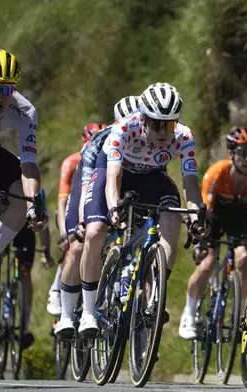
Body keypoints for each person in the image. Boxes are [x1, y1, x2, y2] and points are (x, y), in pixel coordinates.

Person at [77, 83, 204, 337]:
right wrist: (114, 207)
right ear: (143, 119)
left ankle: (156, 295)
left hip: (151, 177)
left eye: (168, 125)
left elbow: (190, 182)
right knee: (95, 231)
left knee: (172, 216)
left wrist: (195, 214)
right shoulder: (124, 128)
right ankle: (88, 313)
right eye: (156, 124)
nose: (163, 132)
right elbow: (113, 176)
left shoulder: (184, 137)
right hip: (116, 172)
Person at [54, 97, 140, 337]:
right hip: (91, 179)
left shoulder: (148, 140)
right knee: (79, 247)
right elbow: (86, 187)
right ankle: (67, 315)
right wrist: (84, 220)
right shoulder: (100, 142)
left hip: (125, 180)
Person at [178, 127, 247, 339]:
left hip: (240, 213)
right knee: (207, 263)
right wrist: (200, 242)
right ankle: (189, 313)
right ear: (231, 154)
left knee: (244, 257)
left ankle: (239, 313)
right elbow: (204, 209)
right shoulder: (218, 172)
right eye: (243, 152)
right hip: (213, 213)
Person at [47, 123, 106, 317]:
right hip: (74, 203)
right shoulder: (72, 162)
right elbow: (62, 202)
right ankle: (56, 290)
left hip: (95, 204)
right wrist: (65, 233)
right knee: (73, 245)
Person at [0, 49, 46, 258]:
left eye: (6, 91)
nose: (0, 97)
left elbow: (28, 165)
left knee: (23, 196)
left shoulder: (25, 111)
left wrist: (32, 204)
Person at [0, 186, 52, 349]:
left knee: (24, 273)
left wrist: (46, 250)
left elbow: (43, 222)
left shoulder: (36, 188)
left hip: (25, 227)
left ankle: (24, 326)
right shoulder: (2, 177)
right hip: (1, 220)